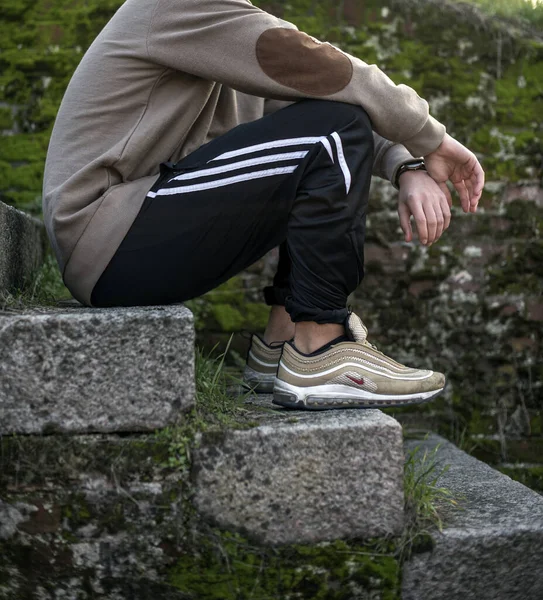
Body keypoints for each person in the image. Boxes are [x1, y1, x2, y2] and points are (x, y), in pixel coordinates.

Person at [43, 0, 484, 410]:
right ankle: (320, 346)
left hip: (128, 238)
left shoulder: (219, 32)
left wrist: (405, 165)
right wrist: (432, 137)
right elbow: (323, 69)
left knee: (327, 129)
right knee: (334, 131)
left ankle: (282, 342)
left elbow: (317, 101)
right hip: (106, 235)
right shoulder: (180, 5)